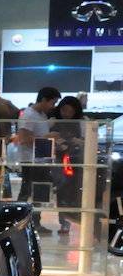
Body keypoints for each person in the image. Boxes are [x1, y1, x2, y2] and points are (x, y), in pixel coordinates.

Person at [14, 85, 61, 228]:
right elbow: (23, 138)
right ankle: (21, 220)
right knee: (29, 190)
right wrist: (46, 137)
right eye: (52, 103)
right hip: (30, 160)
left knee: (37, 190)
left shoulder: (41, 115)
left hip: (40, 159)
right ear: (44, 100)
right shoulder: (29, 115)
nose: (53, 106)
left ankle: (33, 222)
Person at [52, 95, 86, 239]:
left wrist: (75, 142)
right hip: (59, 161)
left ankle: (72, 219)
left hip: (76, 161)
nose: (65, 114)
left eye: (69, 111)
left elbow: (85, 141)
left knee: (73, 191)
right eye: (63, 110)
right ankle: (64, 221)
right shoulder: (54, 122)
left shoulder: (83, 123)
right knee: (62, 190)